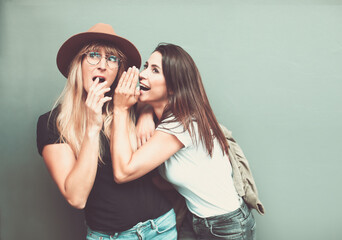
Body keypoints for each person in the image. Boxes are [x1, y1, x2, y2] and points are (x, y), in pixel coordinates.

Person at [36, 23, 177, 240]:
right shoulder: (52, 123)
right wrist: (92, 128)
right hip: (110, 236)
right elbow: (76, 197)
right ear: (78, 64)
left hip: (161, 228)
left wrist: (146, 112)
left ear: (118, 70)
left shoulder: (129, 107)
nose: (102, 65)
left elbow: (179, 104)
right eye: (93, 55)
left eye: (112, 59)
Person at [112, 43, 257, 240]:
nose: (142, 74)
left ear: (172, 87)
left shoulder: (181, 123)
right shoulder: (168, 116)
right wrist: (145, 112)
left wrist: (120, 110)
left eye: (155, 70)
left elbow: (123, 172)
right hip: (196, 218)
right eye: (146, 66)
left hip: (226, 225)